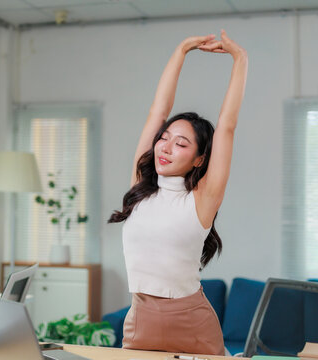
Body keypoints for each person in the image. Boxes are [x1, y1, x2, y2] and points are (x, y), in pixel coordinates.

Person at [108, 30, 248, 356]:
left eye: (181, 144)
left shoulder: (202, 199)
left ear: (199, 159)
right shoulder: (140, 188)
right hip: (139, 320)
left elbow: (227, 125)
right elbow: (157, 113)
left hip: (192, 324)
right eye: (164, 138)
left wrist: (240, 58)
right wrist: (181, 49)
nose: (166, 148)